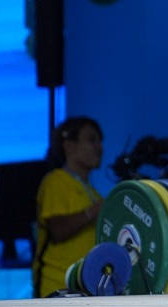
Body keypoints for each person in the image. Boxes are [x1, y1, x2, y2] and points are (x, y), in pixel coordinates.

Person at [32, 116, 104, 298]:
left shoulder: (94, 193)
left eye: (100, 141)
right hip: (57, 287)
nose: (99, 147)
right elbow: (58, 230)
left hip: (87, 290)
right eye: (91, 140)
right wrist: (94, 211)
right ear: (69, 146)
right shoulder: (55, 182)